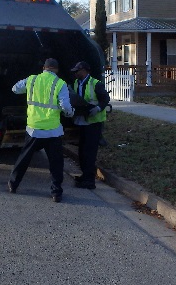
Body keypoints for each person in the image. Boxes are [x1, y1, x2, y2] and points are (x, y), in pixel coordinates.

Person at [8, 58, 74, 202]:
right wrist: (70, 113)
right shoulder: (60, 83)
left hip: (34, 129)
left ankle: (13, 184)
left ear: (44, 68)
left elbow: (15, 89)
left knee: (24, 158)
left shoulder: (32, 80)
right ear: (56, 69)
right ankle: (56, 193)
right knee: (56, 163)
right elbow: (65, 106)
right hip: (53, 130)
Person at [70, 60, 110, 190]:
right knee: (82, 151)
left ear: (84, 70)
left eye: (77, 71)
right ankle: (85, 175)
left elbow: (105, 99)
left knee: (89, 152)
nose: (75, 73)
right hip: (82, 121)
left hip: (93, 123)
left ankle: (89, 181)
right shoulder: (77, 83)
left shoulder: (96, 84)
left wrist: (98, 108)